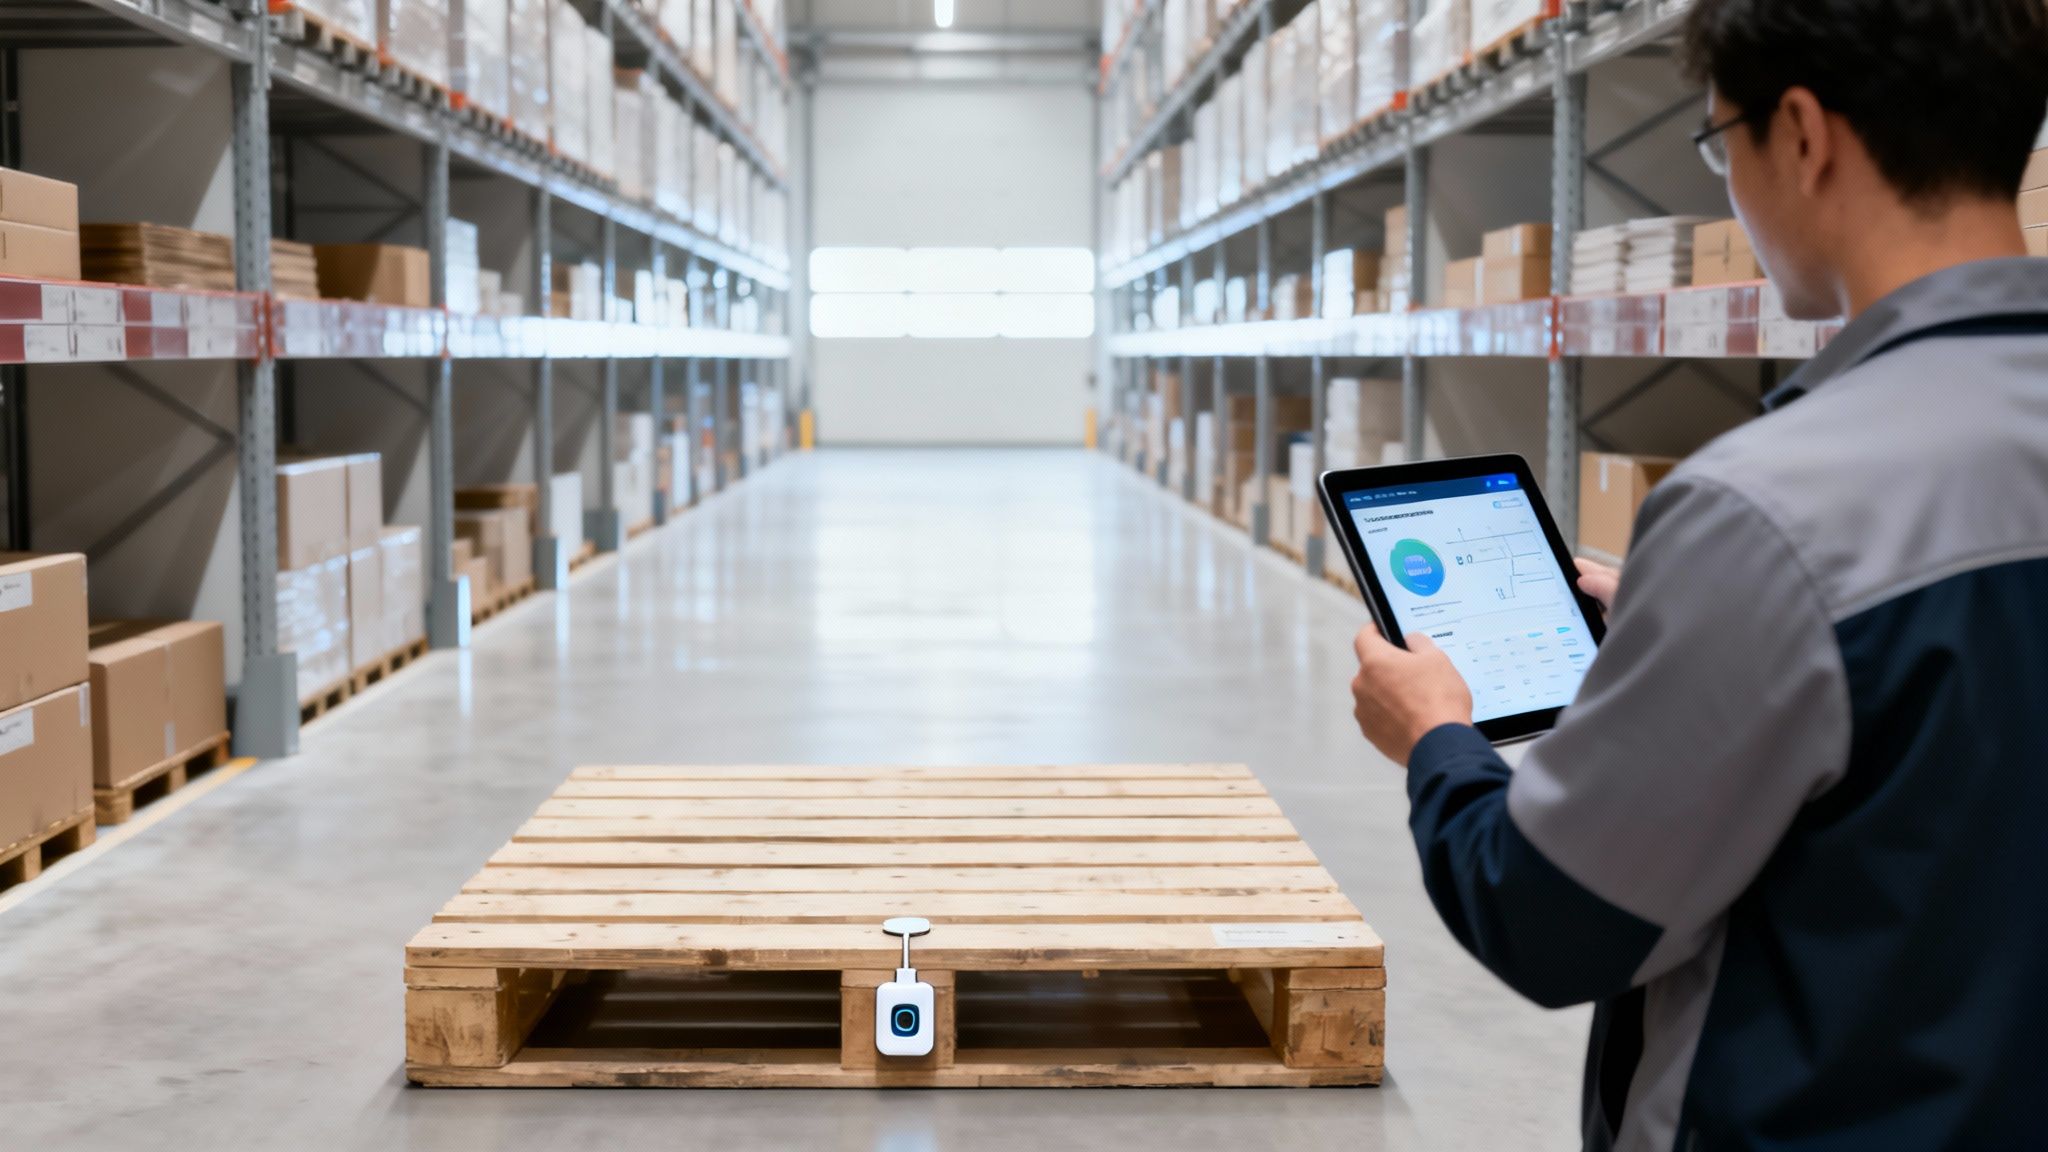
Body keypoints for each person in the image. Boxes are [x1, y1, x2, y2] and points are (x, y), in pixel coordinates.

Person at [1345, 1, 2048, 1148]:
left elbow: (1546, 918)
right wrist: (1729, 622)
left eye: (1719, 141)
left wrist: (1435, 738)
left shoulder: (1763, 511)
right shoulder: (1778, 543)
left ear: (1801, 135)